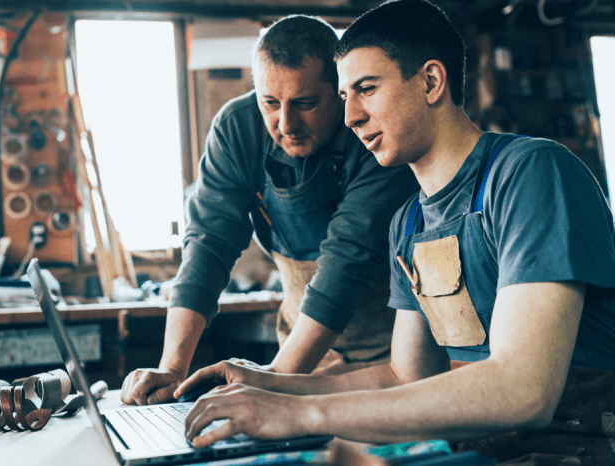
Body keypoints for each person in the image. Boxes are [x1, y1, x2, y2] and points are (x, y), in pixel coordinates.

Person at [175, 1, 615, 463]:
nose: (350, 117)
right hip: (476, 449)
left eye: (367, 88)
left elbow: (523, 389)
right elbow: (408, 377)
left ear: (431, 81)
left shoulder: (530, 174)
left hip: (570, 449)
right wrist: (270, 385)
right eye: (345, 97)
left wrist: (303, 415)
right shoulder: (409, 222)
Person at [121, 15, 418, 405]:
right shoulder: (236, 128)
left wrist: (274, 381)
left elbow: (348, 263)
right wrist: (173, 368)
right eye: (270, 103)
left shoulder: (372, 134)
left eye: (305, 104)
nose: (286, 123)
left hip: (392, 353)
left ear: (340, 92)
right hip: (303, 347)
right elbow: (208, 247)